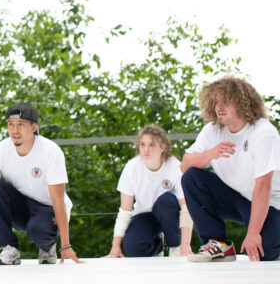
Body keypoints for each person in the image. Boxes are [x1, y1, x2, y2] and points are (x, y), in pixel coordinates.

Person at [0, 102, 82, 265]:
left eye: (21, 124)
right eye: (10, 125)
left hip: (47, 210)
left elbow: (58, 200)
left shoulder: (50, 151)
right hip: (20, 206)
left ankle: (47, 248)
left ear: (33, 127)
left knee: (38, 230)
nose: (15, 130)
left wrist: (66, 245)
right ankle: (9, 249)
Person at [181, 76, 280, 262]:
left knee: (263, 253)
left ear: (243, 103)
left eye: (225, 102)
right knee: (192, 177)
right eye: (216, 101)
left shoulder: (263, 132)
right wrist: (210, 154)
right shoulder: (213, 130)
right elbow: (184, 165)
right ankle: (218, 244)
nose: (219, 107)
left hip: (271, 205)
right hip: (236, 198)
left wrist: (252, 234)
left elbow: (263, 186)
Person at [103, 125, 193, 258]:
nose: (146, 149)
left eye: (152, 145)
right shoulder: (131, 168)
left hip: (169, 213)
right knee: (132, 248)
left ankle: (175, 247)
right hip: (145, 215)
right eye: (143, 144)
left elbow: (186, 208)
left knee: (166, 202)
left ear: (162, 147)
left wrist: (185, 246)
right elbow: (125, 210)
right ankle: (157, 246)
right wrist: (115, 246)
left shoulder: (174, 166)